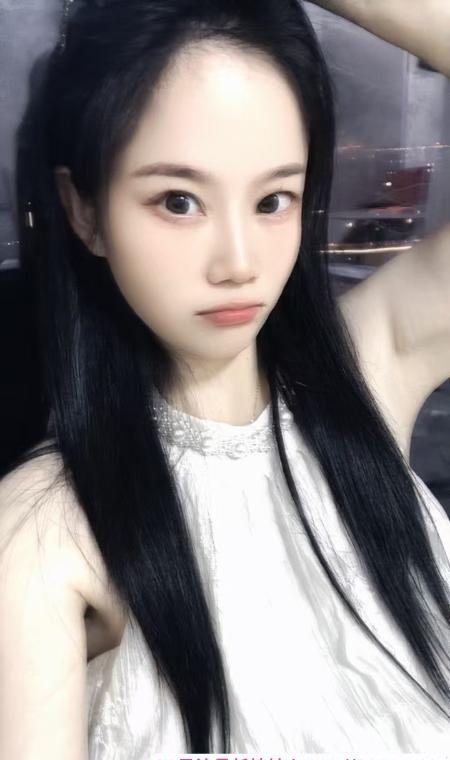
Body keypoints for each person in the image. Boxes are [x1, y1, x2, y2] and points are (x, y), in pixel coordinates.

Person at [0, 0, 449, 756]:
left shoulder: (365, 373)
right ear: (85, 211)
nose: (239, 262)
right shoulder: (41, 534)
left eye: (274, 200)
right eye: (179, 201)